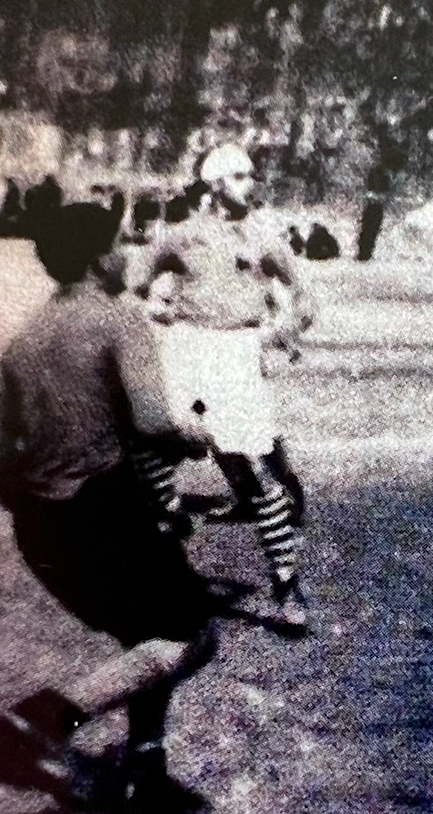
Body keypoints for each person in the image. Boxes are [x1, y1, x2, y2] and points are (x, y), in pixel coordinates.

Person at [0, 203, 217, 813]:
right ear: (96, 258)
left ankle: (144, 769)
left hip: (40, 525)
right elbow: (155, 422)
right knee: (193, 636)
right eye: (118, 245)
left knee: (147, 641)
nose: (126, 255)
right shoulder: (118, 320)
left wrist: (27, 503)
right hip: (107, 511)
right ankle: (55, 714)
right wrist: (193, 435)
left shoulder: (22, 341)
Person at [142, 142, 315, 634]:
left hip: (235, 354)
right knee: (150, 447)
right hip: (186, 350)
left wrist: (277, 331)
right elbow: (137, 281)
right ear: (215, 183)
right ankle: (168, 520)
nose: (251, 184)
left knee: (247, 473)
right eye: (241, 176)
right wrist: (156, 310)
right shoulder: (181, 236)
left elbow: (303, 297)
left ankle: (286, 583)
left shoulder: (263, 236)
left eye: (251, 176)